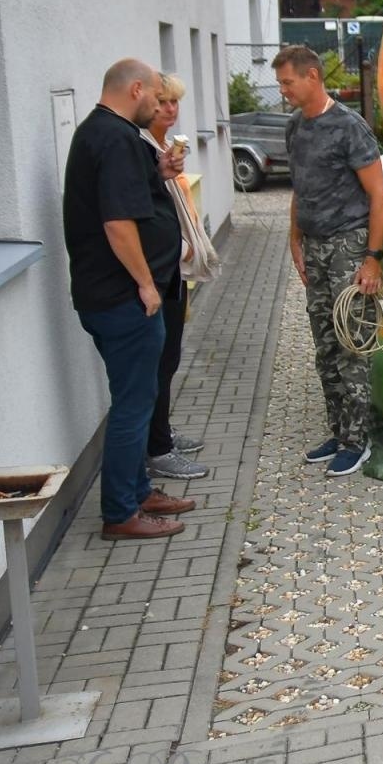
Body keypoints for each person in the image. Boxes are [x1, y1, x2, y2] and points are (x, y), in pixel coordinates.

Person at [62, 58, 198, 539]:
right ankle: (121, 512)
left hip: (112, 296)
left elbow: (130, 197)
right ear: (135, 89)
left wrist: (160, 170)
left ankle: (138, 491)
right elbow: (118, 225)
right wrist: (145, 283)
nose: (162, 105)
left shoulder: (107, 133)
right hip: (123, 298)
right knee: (133, 404)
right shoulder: (115, 138)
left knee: (136, 398)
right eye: (158, 97)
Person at [275, 45, 383, 478]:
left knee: (350, 342)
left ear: (311, 76)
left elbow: (379, 196)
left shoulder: (349, 128)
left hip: (348, 244)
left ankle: (358, 440)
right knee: (324, 344)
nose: (283, 90)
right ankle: (338, 430)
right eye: (281, 83)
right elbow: (300, 189)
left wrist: (372, 260)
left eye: (287, 82)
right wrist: (295, 239)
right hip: (316, 245)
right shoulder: (294, 128)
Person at [139, 74, 221, 482]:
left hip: (172, 271)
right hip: (157, 275)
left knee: (169, 358)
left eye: (175, 103)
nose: (170, 110)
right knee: (159, 361)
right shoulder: (138, 148)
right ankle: (157, 448)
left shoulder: (161, 150)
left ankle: (162, 433)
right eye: (163, 102)